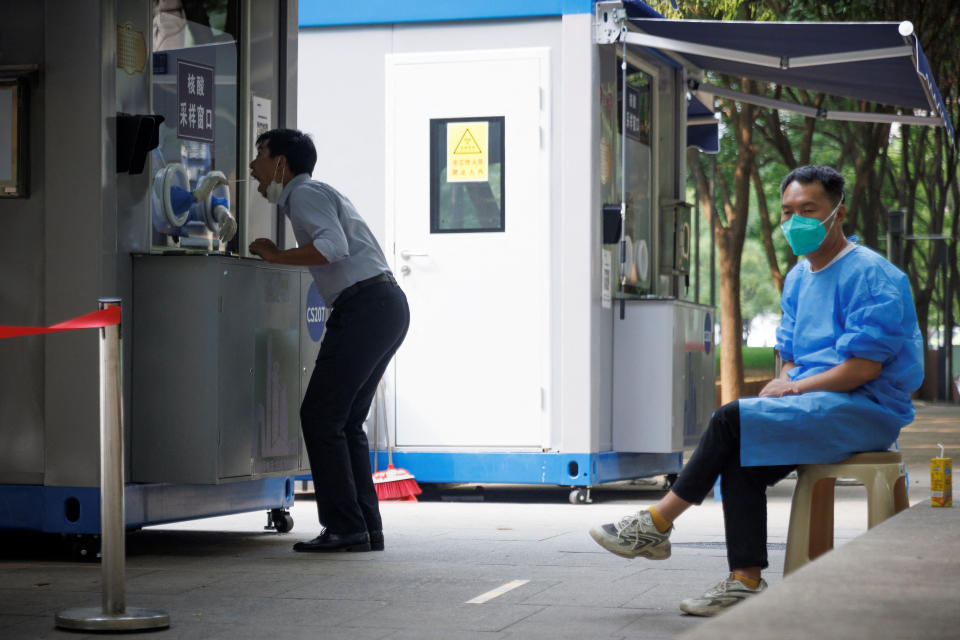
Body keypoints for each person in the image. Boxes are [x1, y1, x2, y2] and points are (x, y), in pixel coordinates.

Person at [589, 165, 923, 616]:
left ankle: (657, 521)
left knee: (730, 418)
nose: (795, 221)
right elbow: (787, 348)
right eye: (788, 212)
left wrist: (795, 387)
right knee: (741, 453)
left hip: (864, 408)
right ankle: (745, 580)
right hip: (812, 404)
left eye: (809, 209)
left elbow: (862, 368)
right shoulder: (800, 277)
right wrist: (787, 379)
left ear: (838, 213)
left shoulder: (873, 275)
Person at [248, 128, 409, 553]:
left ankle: (344, 527)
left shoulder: (303, 194)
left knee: (321, 417)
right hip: (383, 306)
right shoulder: (316, 193)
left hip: (364, 308)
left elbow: (332, 247)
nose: (253, 167)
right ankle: (363, 528)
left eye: (260, 155)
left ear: (281, 163)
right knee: (344, 421)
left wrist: (279, 256)